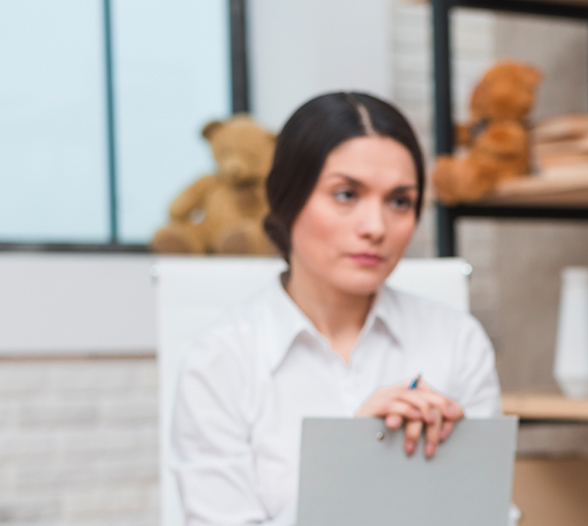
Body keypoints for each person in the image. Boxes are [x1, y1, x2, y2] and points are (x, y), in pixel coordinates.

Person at [171, 92, 502, 525]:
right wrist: (350, 463)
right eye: (346, 194)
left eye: (400, 201)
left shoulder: (457, 342)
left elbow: (490, 516)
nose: (376, 227)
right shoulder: (220, 363)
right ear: (287, 198)